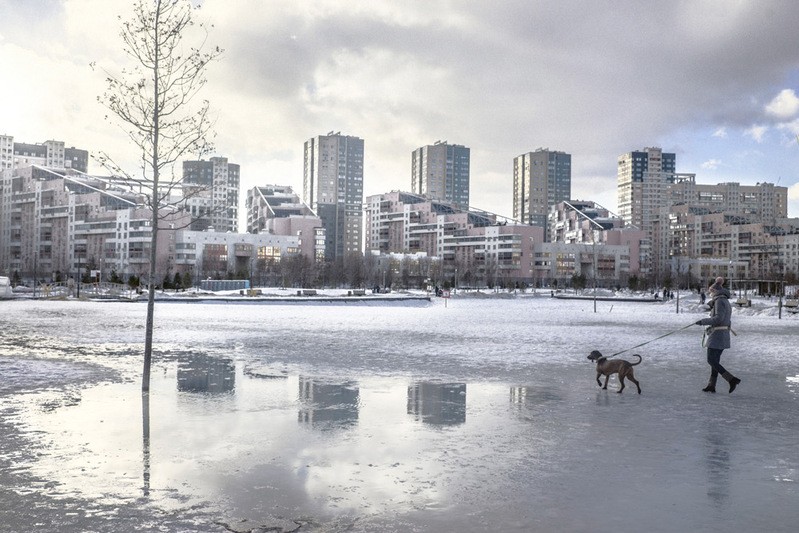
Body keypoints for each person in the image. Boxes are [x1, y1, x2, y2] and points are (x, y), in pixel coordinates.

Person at [695, 277, 741, 393]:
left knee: (711, 360)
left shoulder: (720, 301)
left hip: (717, 335)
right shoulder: (723, 300)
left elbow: (718, 318)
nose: (710, 294)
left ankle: (731, 379)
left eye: (711, 292)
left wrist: (703, 321)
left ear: (715, 291)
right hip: (722, 335)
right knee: (714, 361)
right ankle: (712, 385)